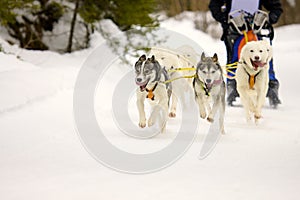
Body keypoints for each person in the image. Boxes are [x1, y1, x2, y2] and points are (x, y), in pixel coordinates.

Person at [209, 0, 283, 108]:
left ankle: (271, 85)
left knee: (264, 59)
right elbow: (214, 4)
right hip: (234, 27)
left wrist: (270, 19)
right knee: (235, 60)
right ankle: (232, 85)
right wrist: (224, 19)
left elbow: (276, 7)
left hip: (257, 26)